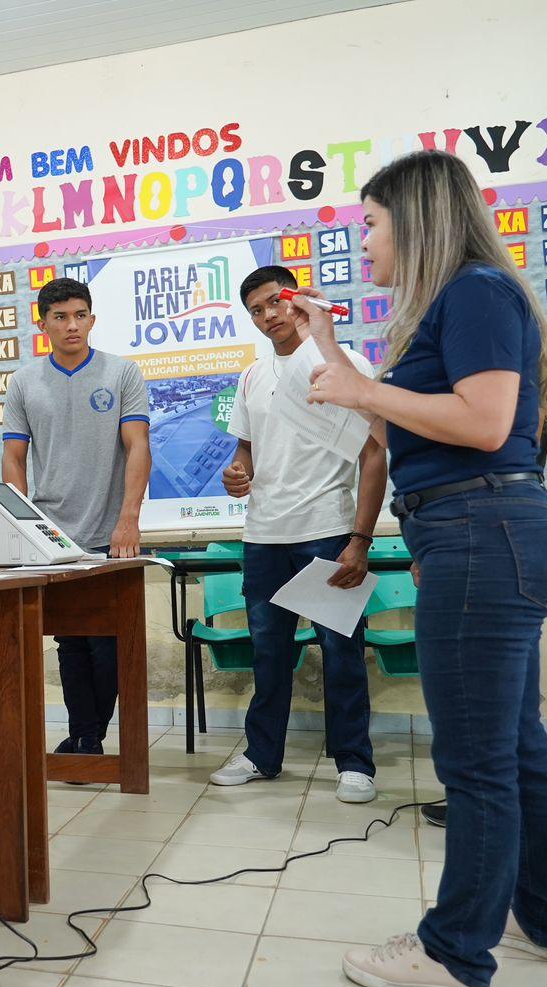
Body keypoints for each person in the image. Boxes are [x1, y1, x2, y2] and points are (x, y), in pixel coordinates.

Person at [303, 150, 547, 987]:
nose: (365, 244)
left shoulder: (474, 292)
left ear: (417, 221)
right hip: (476, 535)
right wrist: (338, 360)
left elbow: (485, 420)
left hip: (484, 532)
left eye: (372, 225)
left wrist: (360, 387)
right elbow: (413, 434)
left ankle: (456, 951)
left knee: (474, 762)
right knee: (515, 744)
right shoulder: (456, 305)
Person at [210, 265, 386, 802]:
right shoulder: (252, 376)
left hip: (328, 530)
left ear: (296, 299)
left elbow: (375, 454)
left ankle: (355, 763)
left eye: (273, 303)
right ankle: (262, 755)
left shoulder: (344, 364)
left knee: (340, 652)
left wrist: (360, 539)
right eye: (256, 310)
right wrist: (237, 475)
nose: (268, 317)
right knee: (269, 653)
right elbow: (245, 451)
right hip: (263, 535)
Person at [1, 277, 151, 761]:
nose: (72, 325)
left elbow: (137, 447)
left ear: (91, 318)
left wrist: (128, 519)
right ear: (41, 322)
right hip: (53, 536)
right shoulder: (25, 381)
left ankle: (94, 731)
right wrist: (20, 525)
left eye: (80, 315)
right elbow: (14, 459)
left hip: (110, 533)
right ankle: (85, 735)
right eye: (60, 317)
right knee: (69, 642)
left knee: (105, 643)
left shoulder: (121, 373)